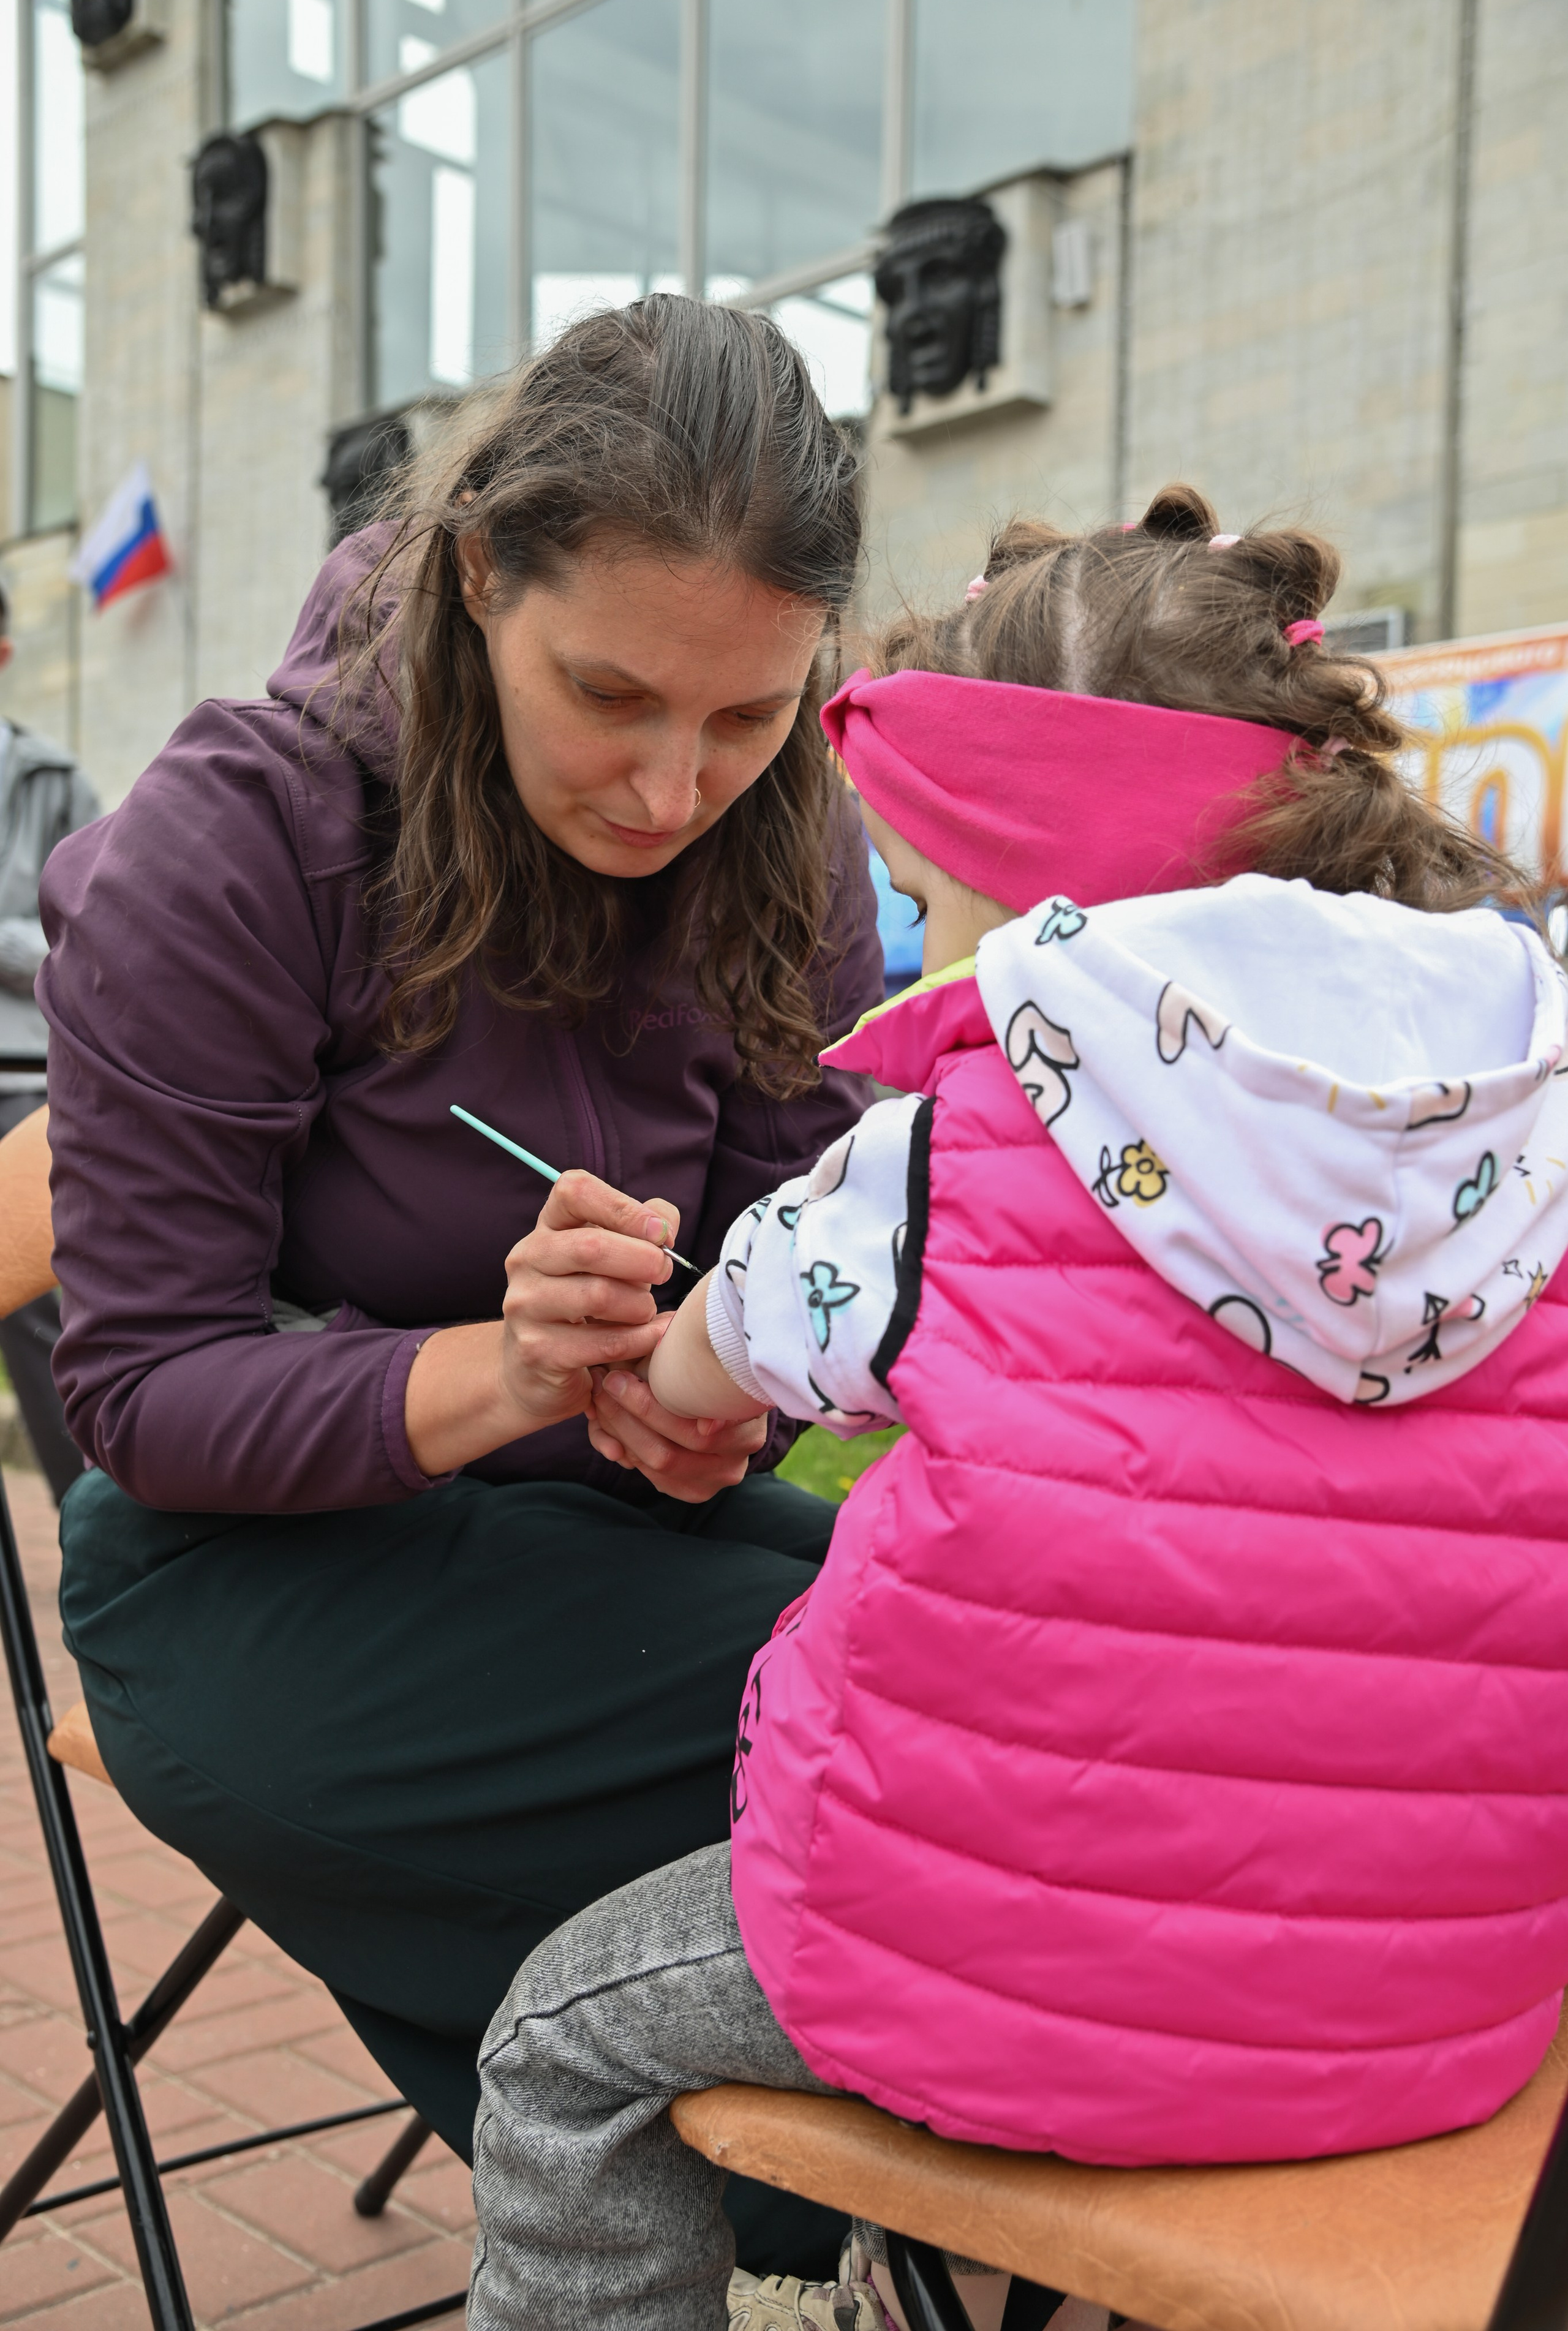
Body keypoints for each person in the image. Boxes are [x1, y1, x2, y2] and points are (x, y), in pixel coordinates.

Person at [466, 486, 1568, 2331]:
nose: (912, 945)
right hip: (1435, 2025)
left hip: (979, 1984)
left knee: (558, 2053)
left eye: (920, 901)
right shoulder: (1537, 1147)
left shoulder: (935, 1158)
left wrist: (642, 1330)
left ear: (1033, 870)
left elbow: (693, 1367)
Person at [38, 297, 885, 2278]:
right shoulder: (247, 836)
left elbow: (784, 1265)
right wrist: (505, 1368)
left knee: (1011, 1669)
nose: (673, 787)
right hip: (247, 1572)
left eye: (747, 715)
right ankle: (838, 2216)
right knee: (900, 1742)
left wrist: (710, 1401)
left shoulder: (789, 838)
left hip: (599, 1530)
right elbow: (143, 1391)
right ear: (483, 573)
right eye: (612, 694)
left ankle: (790, 2202)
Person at [0, 579, 96, 1504]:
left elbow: (96, 936)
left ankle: (95, 1521)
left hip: (24, 1080)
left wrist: (8, 944)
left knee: (39, 1310)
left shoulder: (53, 779)